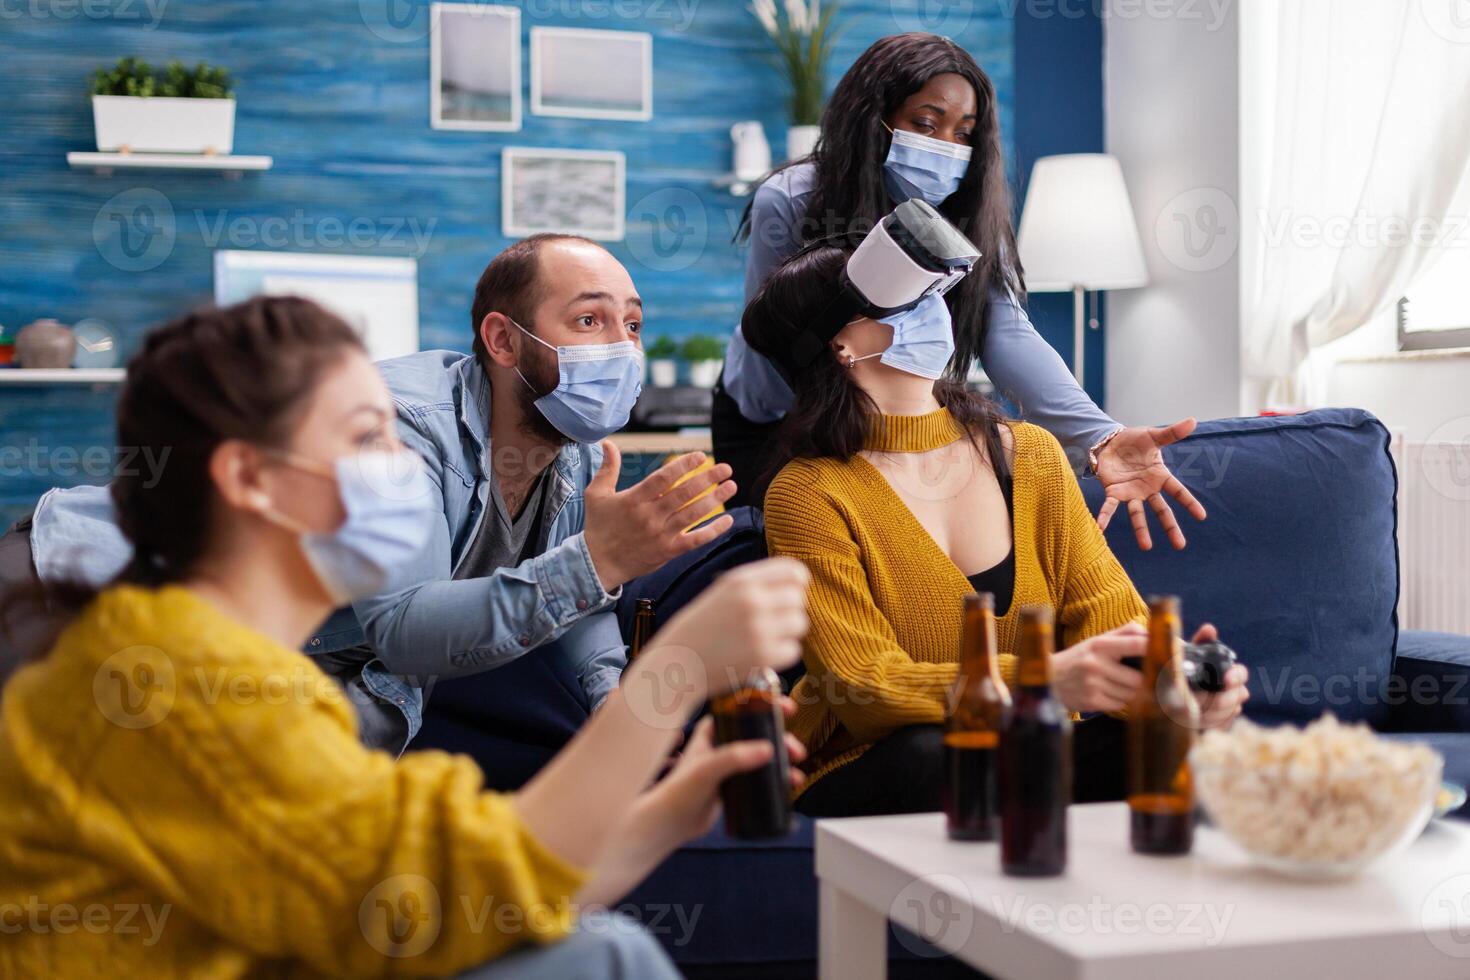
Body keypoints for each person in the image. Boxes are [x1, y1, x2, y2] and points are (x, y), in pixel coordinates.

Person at [0, 296, 812, 978]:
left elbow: (453, 879)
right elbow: (460, 881)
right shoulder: (182, 681)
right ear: (250, 479)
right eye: (366, 438)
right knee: (603, 960)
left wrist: (677, 802)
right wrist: (672, 668)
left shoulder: (257, 675)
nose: (407, 471)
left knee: (605, 950)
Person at [3, 234, 737, 755]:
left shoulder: (570, 454)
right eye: (589, 320)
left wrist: (618, 703)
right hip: (68, 598)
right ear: (503, 341)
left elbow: (576, 603)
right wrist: (597, 559)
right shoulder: (397, 427)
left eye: (632, 324)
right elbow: (405, 629)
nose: (621, 347)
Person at [740, 245, 1249, 818]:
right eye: (911, 300)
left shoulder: (1030, 455)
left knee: (1186, 747)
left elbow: (1113, 622)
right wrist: (1046, 681)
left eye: (934, 294)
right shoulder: (807, 494)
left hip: (1028, 754)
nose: (937, 309)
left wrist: (1177, 683)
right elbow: (865, 691)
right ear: (841, 345)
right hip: (878, 765)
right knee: (940, 754)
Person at [717, 32, 1205, 552]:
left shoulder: (969, 213)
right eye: (925, 124)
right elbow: (780, 338)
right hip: (772, 417)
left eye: (963, 133)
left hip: (882, 419)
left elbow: (1004, 328)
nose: (946, 147)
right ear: (872, 118)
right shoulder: (792, 199)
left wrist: (1100, 435)